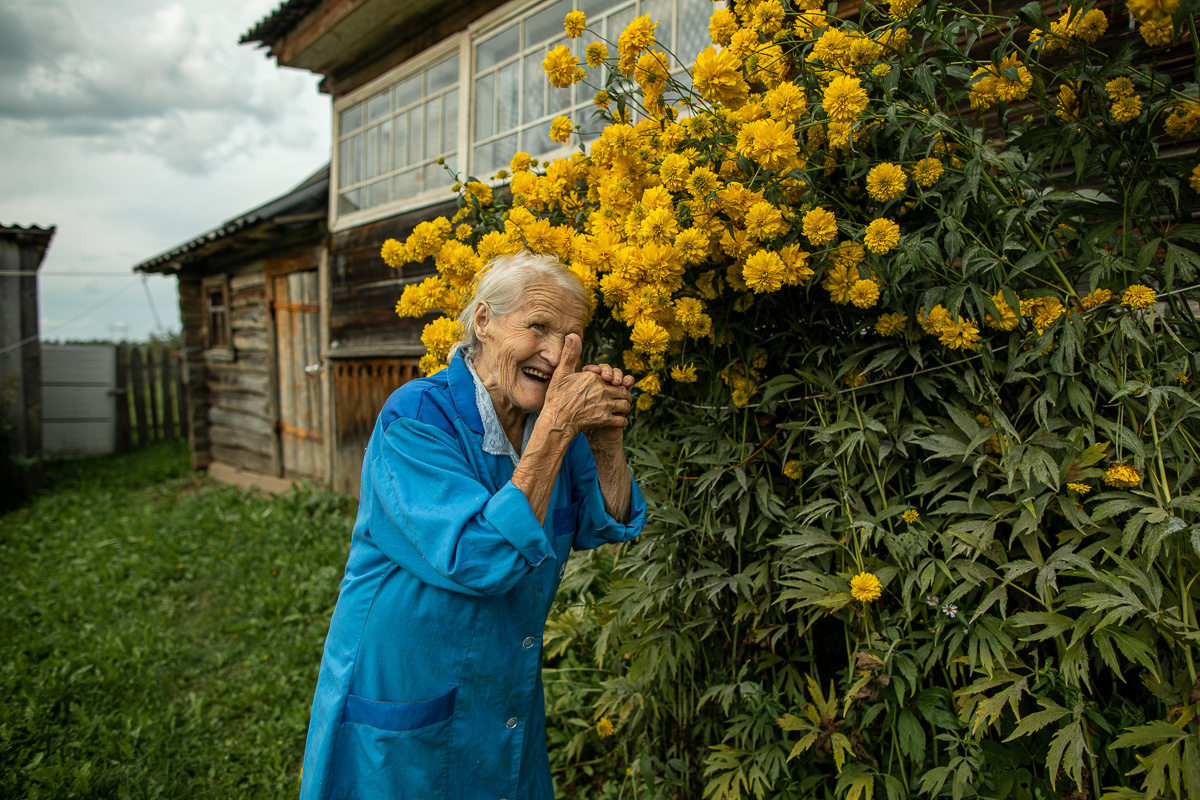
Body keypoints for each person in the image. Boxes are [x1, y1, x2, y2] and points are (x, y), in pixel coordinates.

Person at [298, 250, 647, 800]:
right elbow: (478, 557)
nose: (556, 355)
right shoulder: (414, 420)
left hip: (504, 683)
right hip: (410, 685)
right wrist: (557, 427)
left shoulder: (549, 421)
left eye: (572, 337)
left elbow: (607, 523)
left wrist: (607, 445)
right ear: (483, 321)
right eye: (538, 327)